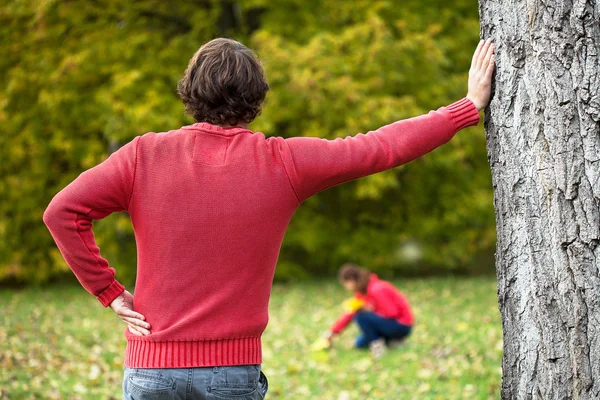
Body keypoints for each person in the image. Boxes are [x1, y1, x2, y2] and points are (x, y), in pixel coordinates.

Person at [43, 37, 495, 399]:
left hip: (150, 370)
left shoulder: (144, 154)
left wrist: (110, 292)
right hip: (230, 375)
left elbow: (63, 212)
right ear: (256, 98)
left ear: (190, 92)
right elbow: (379, 147)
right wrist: (467, 107)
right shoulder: (281, 162)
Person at [324, 263, 414, 358]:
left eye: (345, 284)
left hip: (401, 325)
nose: (345, 287)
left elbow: (392, 313)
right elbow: (350, 313)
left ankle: (378, 347)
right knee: (359, 344)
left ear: (351, 280)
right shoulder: (362, 292)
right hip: (387, 324)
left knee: (361, 316)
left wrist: (371, 310)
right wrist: (332, 332)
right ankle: (393, 341)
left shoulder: (376, 289)